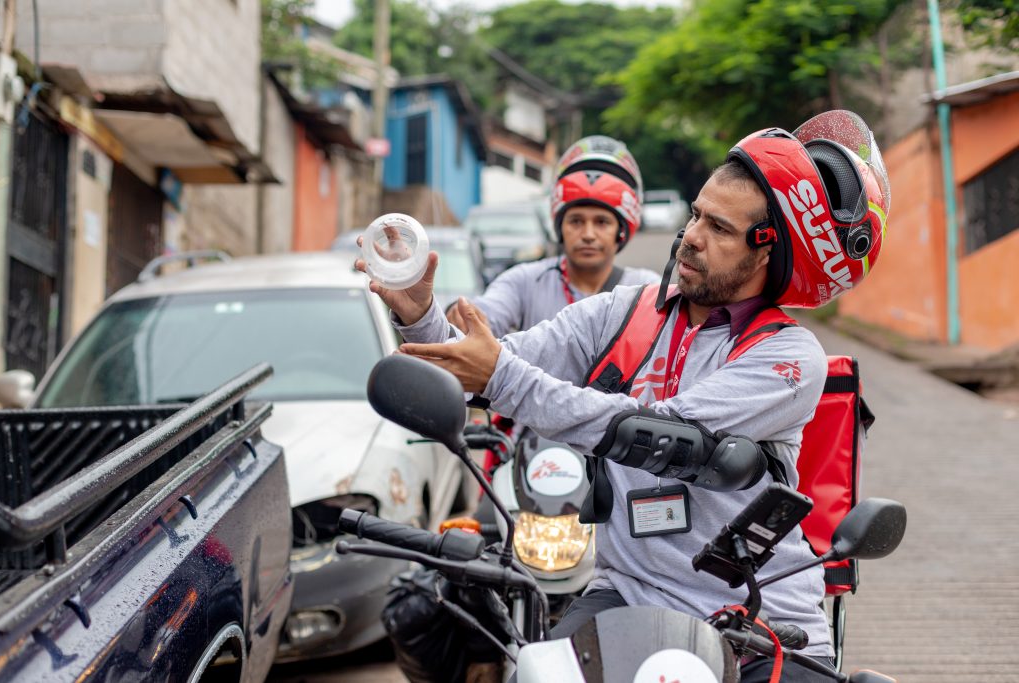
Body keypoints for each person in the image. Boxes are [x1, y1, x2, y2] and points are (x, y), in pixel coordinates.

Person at [357, 110, 891, 682]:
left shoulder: (788, 357)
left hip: (761, 621)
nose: (691, 237)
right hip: (626, 595)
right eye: (696, 215)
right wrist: (418, 313)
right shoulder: (622, 312)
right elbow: (480, 363)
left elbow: (658, 433)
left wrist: (498, 377)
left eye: (721, 230)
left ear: (767, 253)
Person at [446, 135, 658, 336]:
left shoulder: (646, 290)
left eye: (602, 222)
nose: (588, 234)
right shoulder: (525, 281)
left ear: (621, 231)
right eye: (576, 221)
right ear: (559, 227)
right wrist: (461, 316)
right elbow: (487, 313)